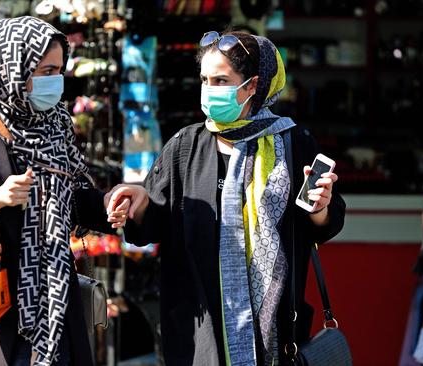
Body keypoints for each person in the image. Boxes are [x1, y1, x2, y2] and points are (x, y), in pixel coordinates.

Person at [106, 31, 346, 365]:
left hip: (274, 332)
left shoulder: (294, 143)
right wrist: (139, 201)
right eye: (205, 79)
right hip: (197, 329)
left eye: (221, 80)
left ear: (253, 86)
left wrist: (320, 208)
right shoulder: (185, 145)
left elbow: (325, 224)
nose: (209, 90)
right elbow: (155, 222)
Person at [0, 17, 128, 366]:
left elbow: (71, 197)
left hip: (51, 298)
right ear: (12, 66)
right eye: (46, 69)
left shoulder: (55, 123)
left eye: (59, 70)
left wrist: (107, 205)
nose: (56, 81)